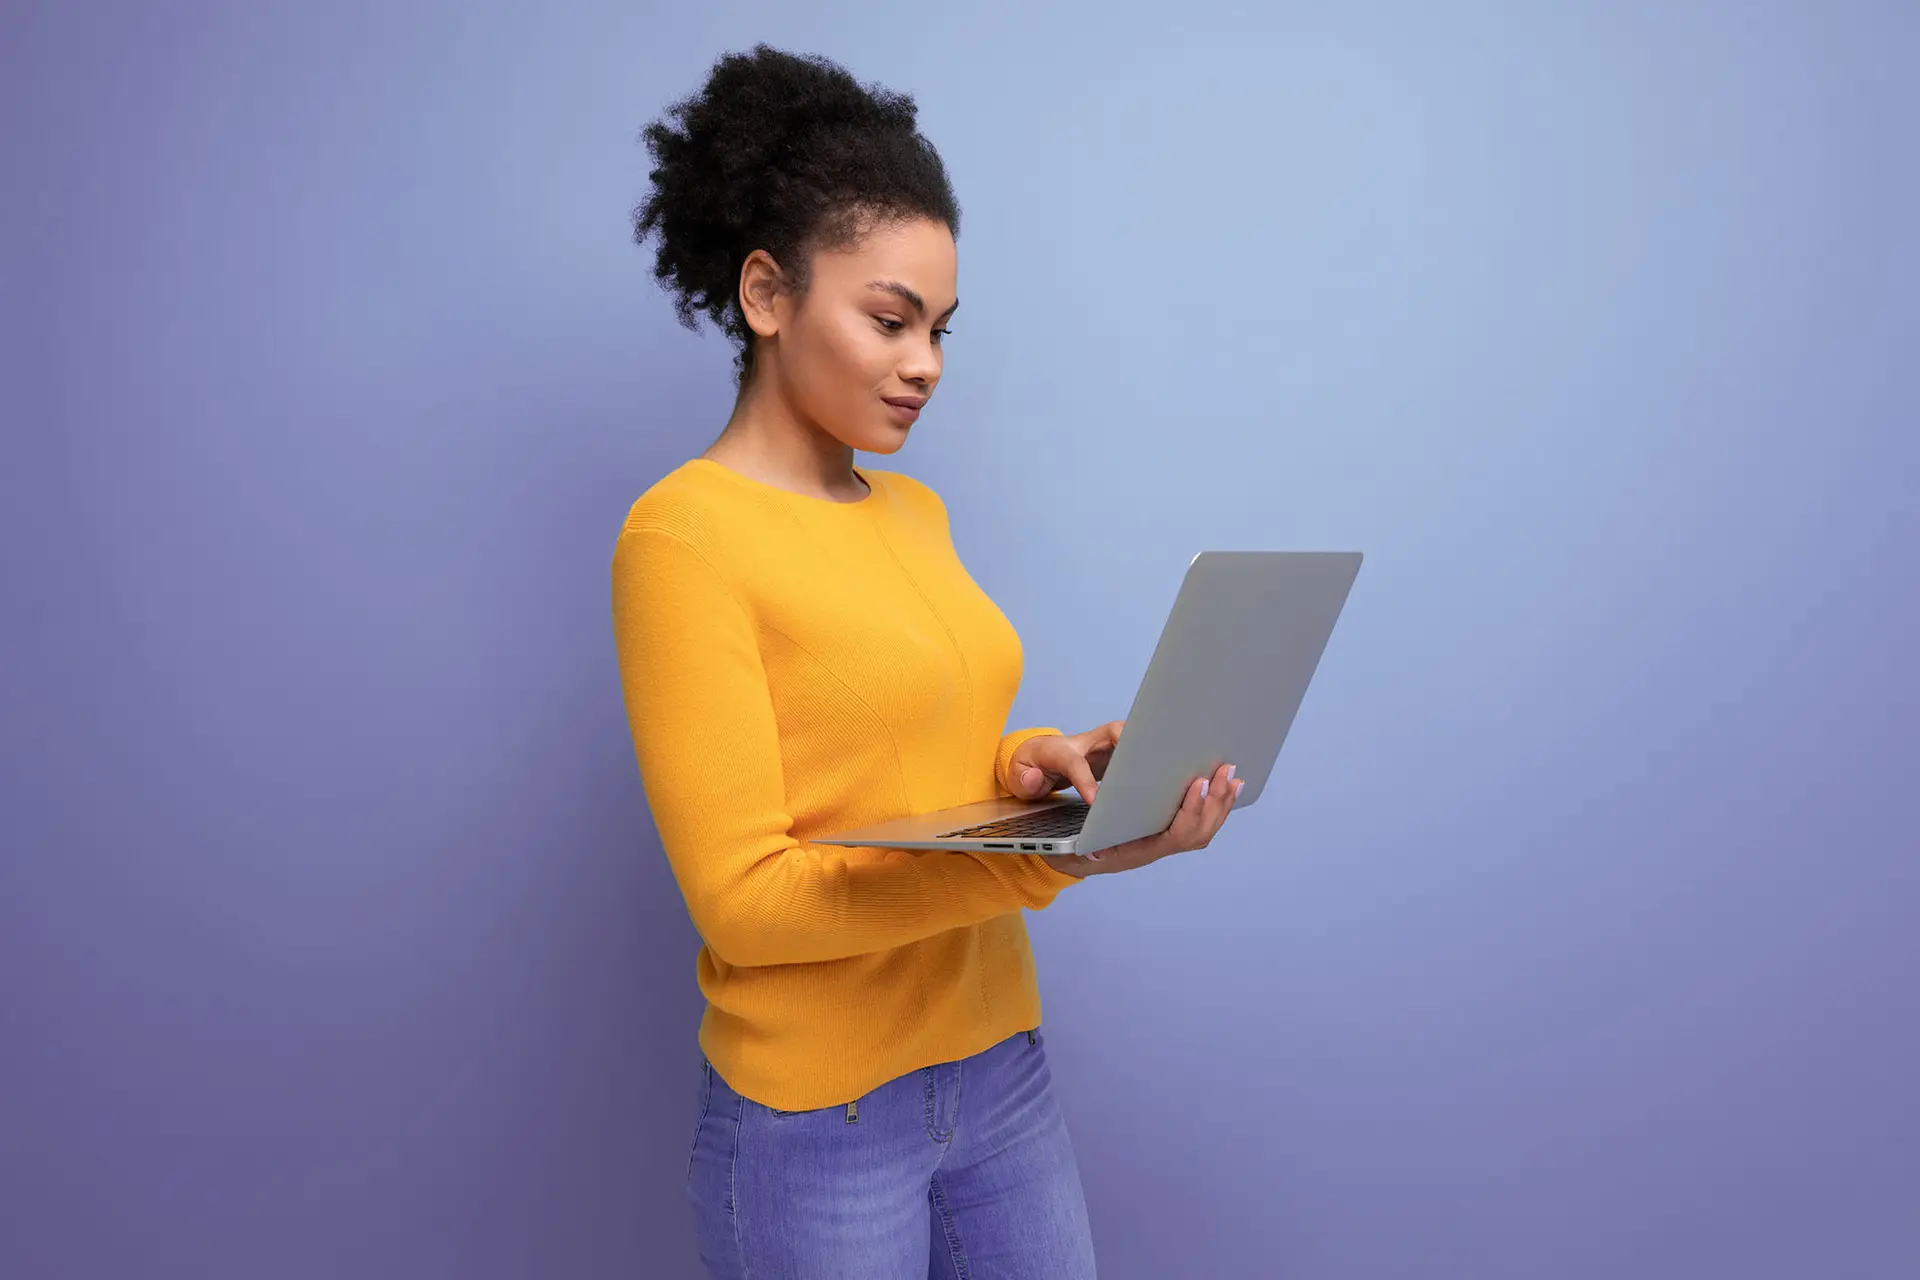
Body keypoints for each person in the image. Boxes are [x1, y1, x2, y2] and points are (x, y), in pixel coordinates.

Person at [613, 44, 1247, 1280]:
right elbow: (745, 900)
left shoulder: (913, 513)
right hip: (818, 1123)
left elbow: (919, 751)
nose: (926, 365)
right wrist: (1055, 863)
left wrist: (1038, 766)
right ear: (765, 292)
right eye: (890, 319)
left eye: (941, 329)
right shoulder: (680, 537)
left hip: (1000, 1065)